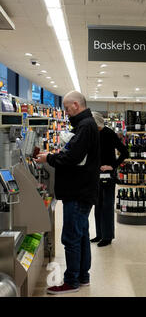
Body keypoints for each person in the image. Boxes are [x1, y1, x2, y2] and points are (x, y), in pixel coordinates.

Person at [35, 91, 100, 295]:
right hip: (82, 189)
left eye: (66, 107)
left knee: (71, 237)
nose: (65, 111)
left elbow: (72, 157)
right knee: (80, 236)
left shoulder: (85, 126)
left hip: (78, 191)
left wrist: (49, 159)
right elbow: (74, 154)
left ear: (75, 105)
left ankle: (71, 281)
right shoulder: (85, 125)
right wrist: (54, 155)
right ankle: (82, 276)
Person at [91, 112, 129, 247]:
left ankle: (107, 237)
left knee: (107, 205)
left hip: (108, 176)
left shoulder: (109, 134)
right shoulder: (93, 134)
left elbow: (125, 152)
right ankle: (99, 234)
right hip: (96, 175)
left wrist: (112, 166)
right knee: (98, 205)